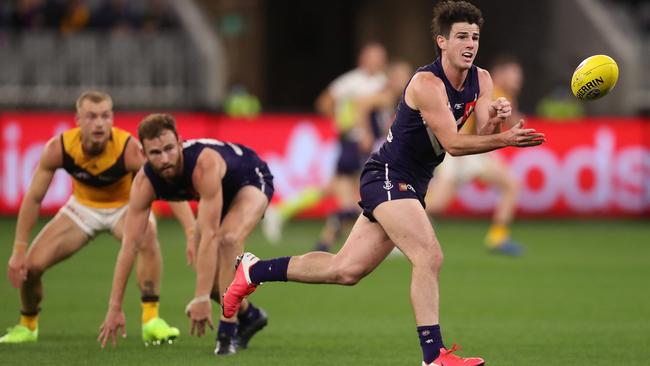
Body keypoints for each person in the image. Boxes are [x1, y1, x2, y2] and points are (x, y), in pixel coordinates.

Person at [223, 2, 545, 365]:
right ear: (442, 41)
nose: (469, 44)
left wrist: (499, 122)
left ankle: (253, 269)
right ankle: (434, 356)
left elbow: (483, 131)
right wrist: (505, 140)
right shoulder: (427, 83)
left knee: (344, 270)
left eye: (474, 37)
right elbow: (454, 145)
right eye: (461, 37)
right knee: (429, 255)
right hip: (388, 176)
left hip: (411, 183)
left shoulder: (482, 79)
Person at [1, 91, 192, 346]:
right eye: (91, 116)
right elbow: (33, 199)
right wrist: (18, 250)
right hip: (81, 209)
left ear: (112, 119)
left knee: (147, 235)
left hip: (125, 208)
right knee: (31, 267)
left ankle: (151, 321)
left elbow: (166, 187)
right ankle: (27, 325)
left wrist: (191, 230)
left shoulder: (129, 150)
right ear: (77, 120)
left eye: (105, 116)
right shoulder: (58, 148)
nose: (100, 123)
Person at [97, 114, 273, 355]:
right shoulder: (143, 183)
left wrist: (199, 298)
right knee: (212, 285)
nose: (165, 158)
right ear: (144, 154)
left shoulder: (203, 165)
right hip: (214, 196)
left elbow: (211, 235)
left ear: (180, 143)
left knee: (228, 239)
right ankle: (250, 315)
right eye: (156, 153)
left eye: (170, 148)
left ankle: (226, 334)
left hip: (250, 180)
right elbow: (129, 246)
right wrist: (114, 307)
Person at [262, 42, 388, 248]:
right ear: (363, 59)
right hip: (353, 142)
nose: (378, 62)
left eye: (381, 58)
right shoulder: (351, 81)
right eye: (374, 57)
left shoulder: (382, 81)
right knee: (361, 188)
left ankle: (291, 216)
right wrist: (343, 123)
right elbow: (324, 102)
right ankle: (361, 236)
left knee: (341, 188)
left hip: (370, 144)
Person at [425, 55, 526, 256]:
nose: (518, 80)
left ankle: (498, 237)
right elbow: (509, 125)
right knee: (434, 205)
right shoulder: (494, 91)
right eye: (514, 74)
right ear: (500, 74)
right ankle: (386, 216)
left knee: (510, 185)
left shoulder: (500, 92)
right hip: (464, 152)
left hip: (474, 153)